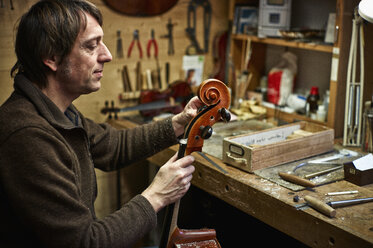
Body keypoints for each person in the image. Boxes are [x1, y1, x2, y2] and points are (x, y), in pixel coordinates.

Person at [0, 0, 201, 247]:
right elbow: (86, 242)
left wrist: (179, 124)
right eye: (91, 46)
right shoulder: (28, 136)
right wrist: (157, 195)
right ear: (51, 57)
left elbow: (112, 146)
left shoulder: (55, 111)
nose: (107, 55)